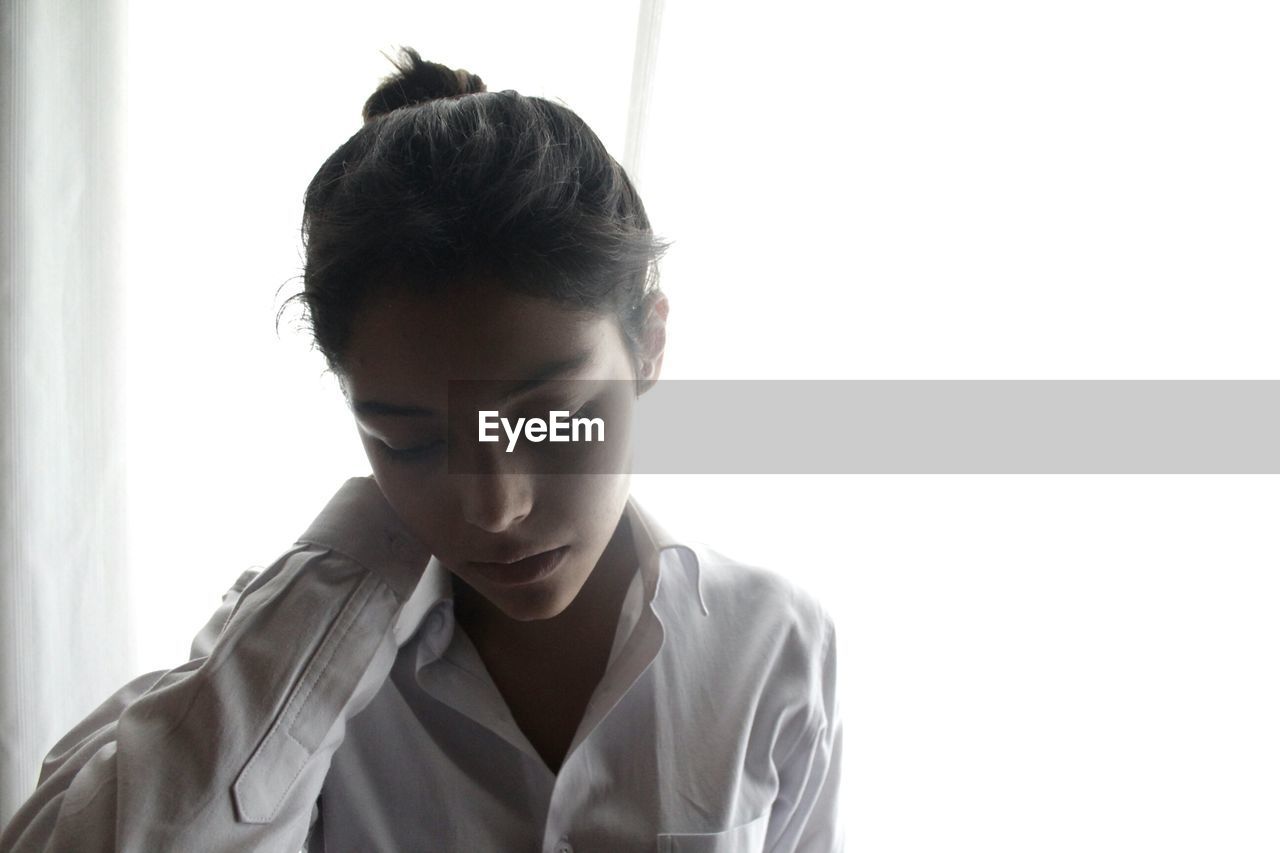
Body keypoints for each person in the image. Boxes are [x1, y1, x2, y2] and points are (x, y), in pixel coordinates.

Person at [0, 48, 842, 852]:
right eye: (408, 437)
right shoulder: (296, 656)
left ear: (650, 345)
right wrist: (363, 545)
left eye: (545, 417)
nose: (493, 508)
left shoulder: (771, 643)